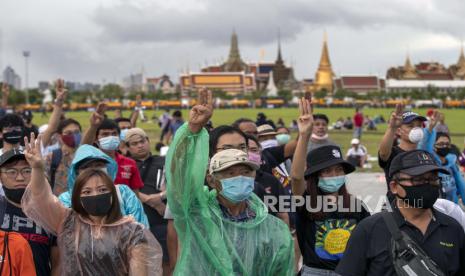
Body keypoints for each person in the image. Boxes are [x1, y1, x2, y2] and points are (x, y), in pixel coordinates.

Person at [165, 90, 294, 275]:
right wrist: (192, 130)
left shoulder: (271, 227)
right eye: (229, 172)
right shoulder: (196, 210)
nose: (239, 177)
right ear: (211, 178)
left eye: (245, 171)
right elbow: (178, 172)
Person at [21, 134, 163, 275]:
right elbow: (41, 199)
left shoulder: (133, 231)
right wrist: (38, 169)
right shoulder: (68, 221)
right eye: (87, 191)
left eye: (102, 190)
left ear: (113, 193)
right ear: (77, 194)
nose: (95, 195)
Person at [336, 150, 465, 275]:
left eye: (433, 179)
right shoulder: (369, 230)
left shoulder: (453, 228)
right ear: (394, 187)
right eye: (418, 180)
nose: (427, 185)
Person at [291, 98, 370, 275]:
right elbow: (296, 177)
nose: (334, 175)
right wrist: (304, 135)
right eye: (327, 171)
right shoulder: (306, 203)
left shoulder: (356, 206)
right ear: (315, 176)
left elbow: (368, 242)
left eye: (338, 170)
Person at [58, 144, 149, 227]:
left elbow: (141, 228)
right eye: (86, 167)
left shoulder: (123, 193)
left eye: (99, 165)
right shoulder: (67, 199)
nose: (94, 170)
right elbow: (67, 230)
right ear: (76, 173)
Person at [0, 149, 57, 276]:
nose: (20, 178)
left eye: (27, 171)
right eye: (11, 171)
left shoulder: (50, 213)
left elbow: (57, 265)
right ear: (1, 177)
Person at [124, 128, 170, 272]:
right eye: (134, 143)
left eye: (142, 141)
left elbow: (176, 184)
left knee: (166, 262)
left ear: (148, 141)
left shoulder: (164, 161)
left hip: (162, 221)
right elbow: (123, 189)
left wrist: (160, 197)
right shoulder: (124, 165)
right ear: (128, 147)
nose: (140, 145)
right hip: (135, 224)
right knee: (137, 264)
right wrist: (150, 200)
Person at [81, 105, 144, 195]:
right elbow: (84, 147)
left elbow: (135, 194)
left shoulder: (129, 163)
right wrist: (93, 126)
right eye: (105, 134)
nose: (110, 137)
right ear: (96, 139)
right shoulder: (89, 161)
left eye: (114, 134)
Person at [378, 105, 438, 187]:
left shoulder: (424, 155)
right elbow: (383, 154)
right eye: (410, 126)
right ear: (399, 131)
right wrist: (392, 128)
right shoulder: (394, 153)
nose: (416, 129)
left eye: (419, 125)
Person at [420, 131, 465, 204]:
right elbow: (424, 148)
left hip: (453, 207)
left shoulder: (452, 164)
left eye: (447, 144)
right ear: (433, 146)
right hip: (436, 208)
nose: (444, 146)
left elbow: (461, 185)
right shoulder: (430, 164)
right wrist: (430, 130)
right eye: (441, 144)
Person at [44, 118, 81, 196]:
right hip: (60, 205)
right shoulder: (51, 158)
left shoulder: (86, 156)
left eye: (76, 132)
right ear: (59, 136)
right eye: (68, 133)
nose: (73, 135)